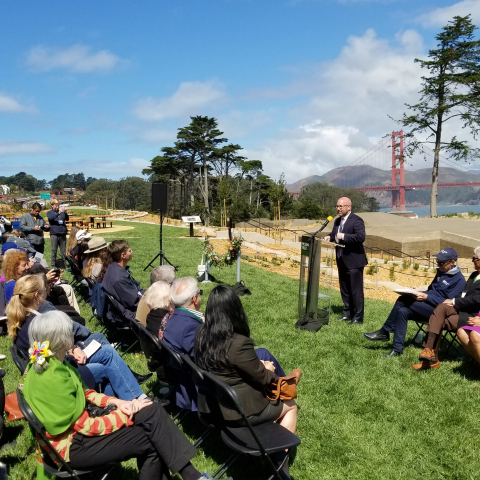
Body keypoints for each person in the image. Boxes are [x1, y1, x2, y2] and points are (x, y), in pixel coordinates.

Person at [22, 311, 228, 480]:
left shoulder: (47, 362)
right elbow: (87, 426)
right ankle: (194, 477)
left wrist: (116, 401)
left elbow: (84, 393)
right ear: (61, 340)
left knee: (152, 411)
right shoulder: (51, 378)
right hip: (71, 447)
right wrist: (126, 414)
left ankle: (193, 477)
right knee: (151, 439)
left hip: (74, 435)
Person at [7, 275, 151, 401]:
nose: (47, 292)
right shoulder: (38, 324)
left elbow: (49, 353)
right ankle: (137, 399)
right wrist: (75, 352)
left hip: (49, 371)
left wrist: (73, 348)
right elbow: (55, 360)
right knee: (107, 357)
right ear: (37, 296)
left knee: (104, 350)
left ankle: (122, 403)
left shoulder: (21, 319)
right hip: (61, 375)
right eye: (45, 290)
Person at [195, 285, 297, 436]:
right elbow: (262, 378)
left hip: (213, 405)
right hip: (238, 412)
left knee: (261, 357)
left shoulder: (201, 333)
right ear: (234, 309)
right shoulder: (238, 343)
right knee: (291, 405)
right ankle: (280, 456)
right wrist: (269, 370)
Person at [363, 248, 465, 357]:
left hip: (438, 313)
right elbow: (432, 290)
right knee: (402, 311)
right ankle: (397, 349)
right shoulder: (441, 271)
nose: (439, 265)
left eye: (442, 263)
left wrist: (427, 297)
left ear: (452, 262)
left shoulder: (459, 280)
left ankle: (385, 331)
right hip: (428, 305)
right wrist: (417, 293)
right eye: (437, 262)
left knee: (402, 301)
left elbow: (447, 304)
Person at [412, 247, 480, 370]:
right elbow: (463, 293)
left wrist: (455, 301)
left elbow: (476, 299)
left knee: (439, 320)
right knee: (442, 307)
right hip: (461, 309)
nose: (472, 261)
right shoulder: (474, 275)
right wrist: (452, 301)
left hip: (472, 314)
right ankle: (429, 351)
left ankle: (432, 359)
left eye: (474, 259)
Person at [323, 197, 367, 324]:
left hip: (354, 260)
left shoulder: (357, 220)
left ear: (349, 207)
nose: (338, 209)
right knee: (345, 289)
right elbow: (334, 235)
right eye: (337, 206)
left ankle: (358, 318)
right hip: (341, 259)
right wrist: (328, 237)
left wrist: (344, 236)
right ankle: (347, 313)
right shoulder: (337, 221)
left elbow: (360, 237)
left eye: (341, 206)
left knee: (355, 290)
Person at [102, 240, 144, 322]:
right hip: (128, 314)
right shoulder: (119, 278)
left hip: (123, 308)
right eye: (129, 250)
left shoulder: (113, 267)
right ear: (123, 255)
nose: (132, 251)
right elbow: (135, 302)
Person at [47, 199, 69, 268]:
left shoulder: (62, 212)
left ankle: (64, 264)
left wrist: (65, 212)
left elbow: (67, 219)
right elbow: (51, 218)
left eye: (58, 206)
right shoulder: (49, 213)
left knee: (63, 250)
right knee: (54, 249)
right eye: (56, 206)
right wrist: (59, 212)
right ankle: (53, 265)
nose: (57, 207)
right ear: (52, 205)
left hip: (62, 232)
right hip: (54, 233)